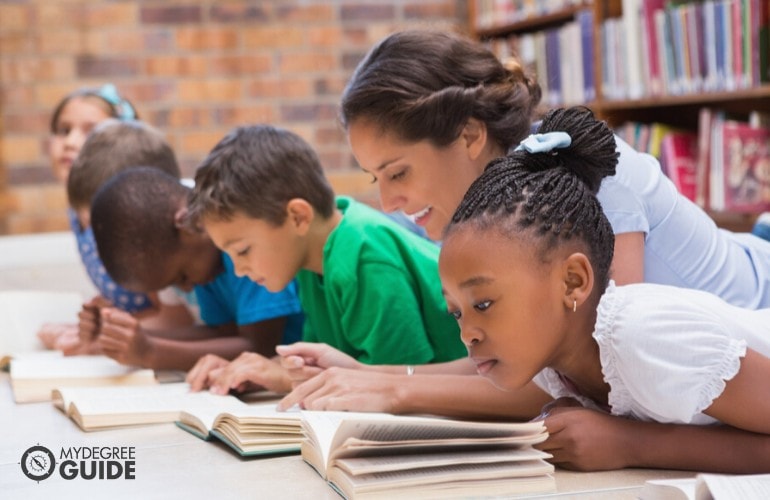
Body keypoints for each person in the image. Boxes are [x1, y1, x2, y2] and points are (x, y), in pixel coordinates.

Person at [276, 29, 770, 470]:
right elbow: (531, 356)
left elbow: (594, 358)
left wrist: (394, 390)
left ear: (470, 134)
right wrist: (368, 374)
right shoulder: (492, 219)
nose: (386, 202)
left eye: (398, 172)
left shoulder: (584, 189)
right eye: (375, 178)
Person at [440, 106, 770, 473]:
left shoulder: (641, 332)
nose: (466, 333)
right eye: (456, 311)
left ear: (573, 282)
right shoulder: (550, 366)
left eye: (483, 303)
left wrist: (629, 444)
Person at [183, 124, 465, 395]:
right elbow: (323, 363)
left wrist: (286, 379)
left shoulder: (364, 256)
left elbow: (395, 382)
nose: (240, 270)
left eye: (243, 251)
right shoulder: (310, 260)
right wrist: (255, 370)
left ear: (298, 217)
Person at [88, 167, 304, 372]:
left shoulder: (242, 246)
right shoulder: (206, 263)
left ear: (189, 228)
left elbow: (260, 347)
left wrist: (151, 352)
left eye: (181, 275)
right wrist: (131, 336)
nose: (187, 286)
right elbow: (221, 334)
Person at [40, 84, 162, 353]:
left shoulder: (135, 216)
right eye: (63, 130)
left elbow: (173, 314)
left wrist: (99, 340)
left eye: (91, 131)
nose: (71, 142)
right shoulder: (77, 210)